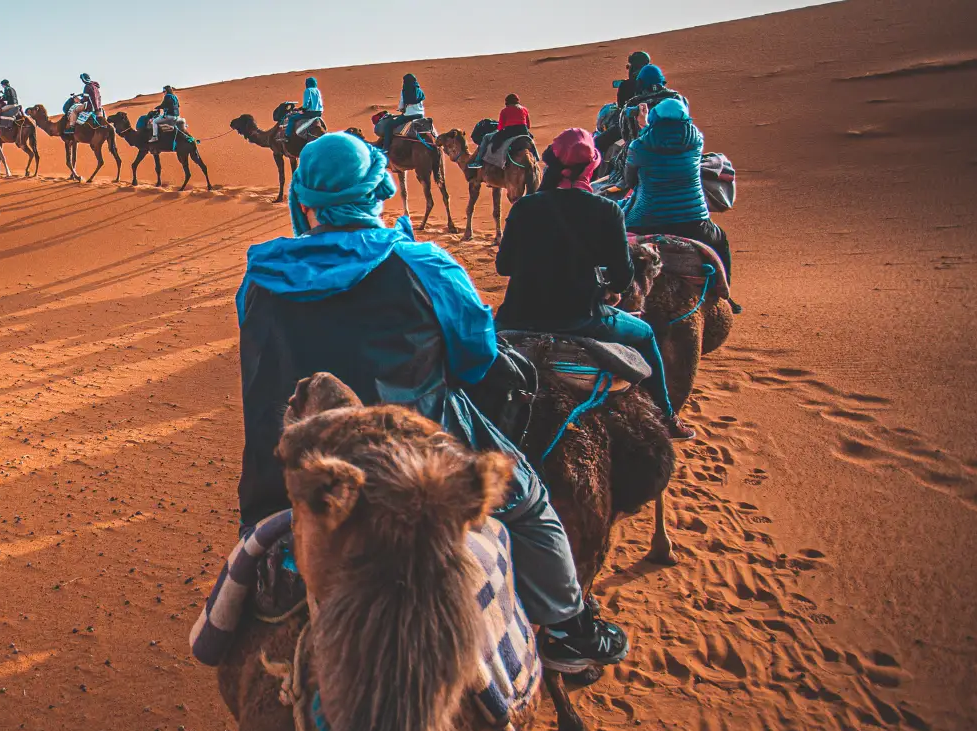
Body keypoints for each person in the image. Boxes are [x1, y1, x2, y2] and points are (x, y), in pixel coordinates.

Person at [236, 131, 631, 673]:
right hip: (416, 467)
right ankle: (567, 628)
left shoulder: (259, 278)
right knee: (532, 504)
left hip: (283, 471)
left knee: (261, 539)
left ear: (303, 199)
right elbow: (475, 361)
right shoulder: (426, 267)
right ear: (381, 190)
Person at [494, 128, 693, 439]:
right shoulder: (607, 211)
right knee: (645, 335)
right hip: (583, 319)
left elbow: (503, 266)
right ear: (592, 168)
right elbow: (625, 279)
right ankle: (667, 417)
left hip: (517, 316)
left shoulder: (524, 207)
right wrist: (608, 286)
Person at [621, 98, 739, 312]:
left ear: (655, 119)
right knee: (720, 240)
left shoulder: (639, 146)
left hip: (646, 219)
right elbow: (670, 141)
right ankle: (725, 295)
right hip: (692, 220)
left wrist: (644, 125)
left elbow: (630, 181)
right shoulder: (695, 141)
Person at [470, 93, 531, 168]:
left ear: (507, 103)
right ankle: (536, 157)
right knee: (531, 141)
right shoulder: (525, 109)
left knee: (486, 137)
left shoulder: (504, 111)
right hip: (523, 131)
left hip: (510, 131)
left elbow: (500, 127)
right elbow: (528, 126)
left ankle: (478, 162)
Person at [375, 72, 425, 148]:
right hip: (421, 115)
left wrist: (401, 109)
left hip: (408, 116)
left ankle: (386, 147)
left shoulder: (405, 91)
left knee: (389, 126)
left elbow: (401, 106)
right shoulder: (420, 91)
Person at [283, 76, 323, 145]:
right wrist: (300, 108)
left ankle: (287, 136)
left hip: (310, 113)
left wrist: (302, 110)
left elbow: (306, 104)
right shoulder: (317, 91)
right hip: (319, 112)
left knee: (292, 118)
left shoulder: (308, 90)